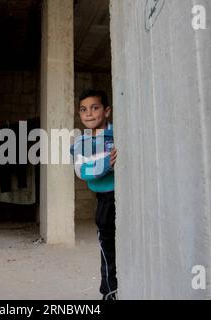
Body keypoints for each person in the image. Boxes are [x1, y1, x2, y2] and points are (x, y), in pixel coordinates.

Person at [71, 89, 118, 300]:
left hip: (126, 198)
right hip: (105, 202)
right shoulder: (81, 143)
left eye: (95, 108)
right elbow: (83, 171)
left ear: (107, 111)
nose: (89, 114)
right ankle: (109, 291)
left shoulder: (119, 135)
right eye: (83, 109)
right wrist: (107, 164)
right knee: (108, 247)